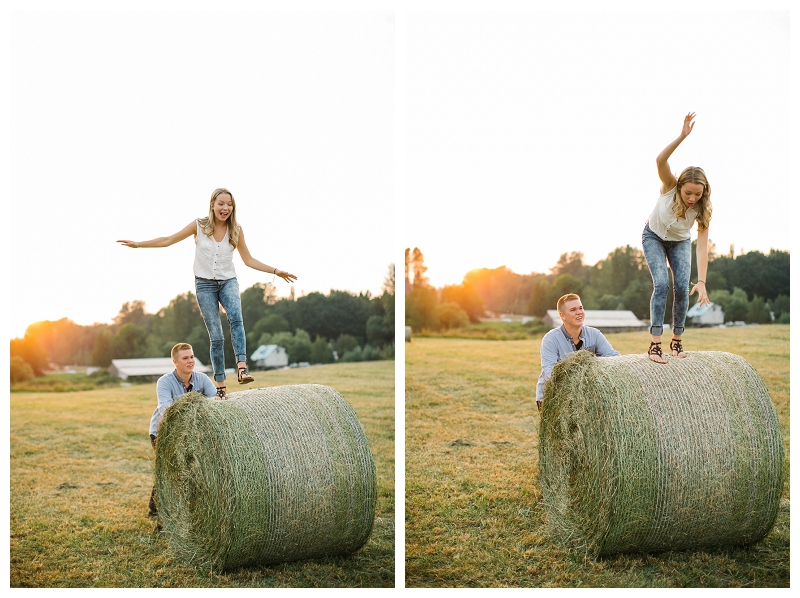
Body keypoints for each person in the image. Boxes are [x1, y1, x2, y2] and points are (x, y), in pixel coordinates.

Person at [118, 188, 297, 398]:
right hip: (204, 284)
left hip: (228, 281)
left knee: (236, 320)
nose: (226, 208)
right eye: (221, 203)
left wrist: (276, 271)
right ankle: (220, 387)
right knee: (217, 337)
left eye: (229, 204)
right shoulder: (199, 226)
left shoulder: (236, 230)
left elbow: (248, 260)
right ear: (212, 204)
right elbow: (168, 240)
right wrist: (139, 244)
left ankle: (242, 368)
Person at [644, 113, 711, 363]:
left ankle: (677, 339)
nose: (691, 198)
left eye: (697, 194)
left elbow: (702, 248)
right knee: (661, 284)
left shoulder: (702, 209)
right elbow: (660, 159)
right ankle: (654, 344)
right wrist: (682, 136)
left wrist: (702, 281)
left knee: (683, 287)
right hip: (653, 236)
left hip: (680, 242)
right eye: (688, 193)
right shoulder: (669, 186)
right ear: (680, 186)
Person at [148, 342, 217, 518]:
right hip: (162, 432)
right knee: (170, 470)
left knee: (183, 469)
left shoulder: (202, 379)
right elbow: (166, 411)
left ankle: (157, 508)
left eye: (192, 357)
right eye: (185, 358)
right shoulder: (164, 382)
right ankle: (161, 513)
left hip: (192, 432)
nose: (190, 361)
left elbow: (214, 404)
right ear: (175, 362)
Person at [536, 293, 620, 411]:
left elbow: (613, 357)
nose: (579, 312)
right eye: (573, 310)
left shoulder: (594, 334)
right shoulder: (550, 339)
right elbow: (549, 372)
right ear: (562, 316)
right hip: (551, 397)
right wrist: (573, 387)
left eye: (580, 308)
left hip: (585, 396)